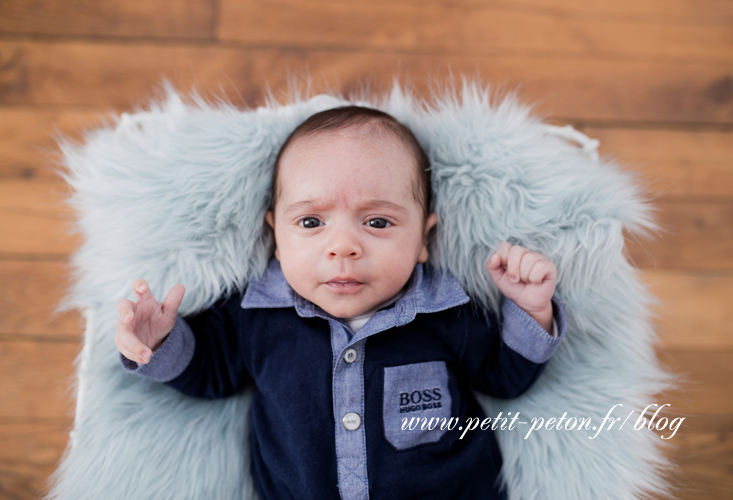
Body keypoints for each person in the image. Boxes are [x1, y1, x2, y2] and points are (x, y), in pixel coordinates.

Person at [115, 106, 567, 500]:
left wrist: (531, 310)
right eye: (311, 221)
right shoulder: (256, 315)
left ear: (424, 239)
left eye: (376, 221)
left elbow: (505, 380)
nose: (343, 246)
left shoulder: (447, 311)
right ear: (276, 236)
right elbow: (210, 372)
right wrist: (160, 342)